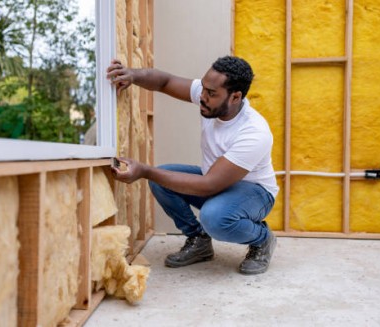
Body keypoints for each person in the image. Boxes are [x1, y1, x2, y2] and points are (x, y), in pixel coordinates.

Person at [107, 56, 279, 275]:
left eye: (211, 94)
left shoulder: (254, 132)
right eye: (204, 90)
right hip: (217, 183)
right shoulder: (208, 94)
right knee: (163, 178)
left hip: (255, 194)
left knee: (214, 217)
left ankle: (262, 238)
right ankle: (198, 240)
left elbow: (208, 186)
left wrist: (144, 171)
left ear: (235, 97)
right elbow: (164, 82)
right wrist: (131, 74)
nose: (203, 97)